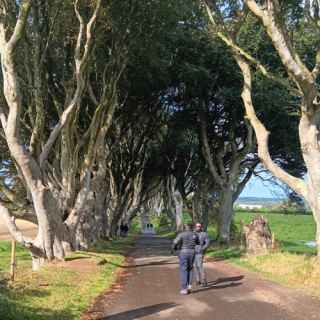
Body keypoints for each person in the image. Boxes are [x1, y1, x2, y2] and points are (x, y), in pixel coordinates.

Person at [171, 223, 199, 295]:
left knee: (184, 270)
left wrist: (174, 249)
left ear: (185, 228)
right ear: (192, 228)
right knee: (190, 268)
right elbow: (198, 243)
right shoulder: (195, 234)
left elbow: (175, 242)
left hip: (183, 252)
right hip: (192, 252)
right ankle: (189, 286)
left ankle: (184, 288)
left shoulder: (181, 234)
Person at [193, 223, 210, 287]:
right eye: (197, 226)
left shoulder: (204, 234)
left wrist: (202, 249)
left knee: (200, 266)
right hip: (193, 252)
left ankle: (204, 280)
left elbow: (207, 243)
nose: (198, 227)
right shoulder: (193, 233)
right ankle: (198, 280)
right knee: (195, 266)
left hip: (200, 253)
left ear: (201, 227)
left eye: (199, 226)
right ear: (195, 227)